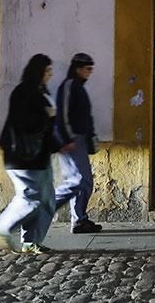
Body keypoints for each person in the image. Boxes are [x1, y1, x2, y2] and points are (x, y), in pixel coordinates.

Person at [0, 53, 74, 254]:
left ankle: (31, 241)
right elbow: (25, 124)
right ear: (38, 71)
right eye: (47, 71)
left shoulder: (40, 91)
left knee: (47, 200)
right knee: (30, 197)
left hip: (39, 157)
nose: (50, 75)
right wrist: (46, 114)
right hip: (22, 157)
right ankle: (2, 228)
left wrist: (58, 145)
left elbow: (45, 130)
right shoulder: (23, 92)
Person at [54, 52, 103, 234]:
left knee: (84, 181)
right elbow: (63, 114)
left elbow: (85, 116)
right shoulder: (69, 86)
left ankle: (80, 219)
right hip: (71, 141)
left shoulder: (79, 87)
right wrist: (67, 139)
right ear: (78, 68)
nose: (90, 72)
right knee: (79, 180)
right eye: (87, 69)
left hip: (80, 140)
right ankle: (73, 218)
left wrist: (90, 138)